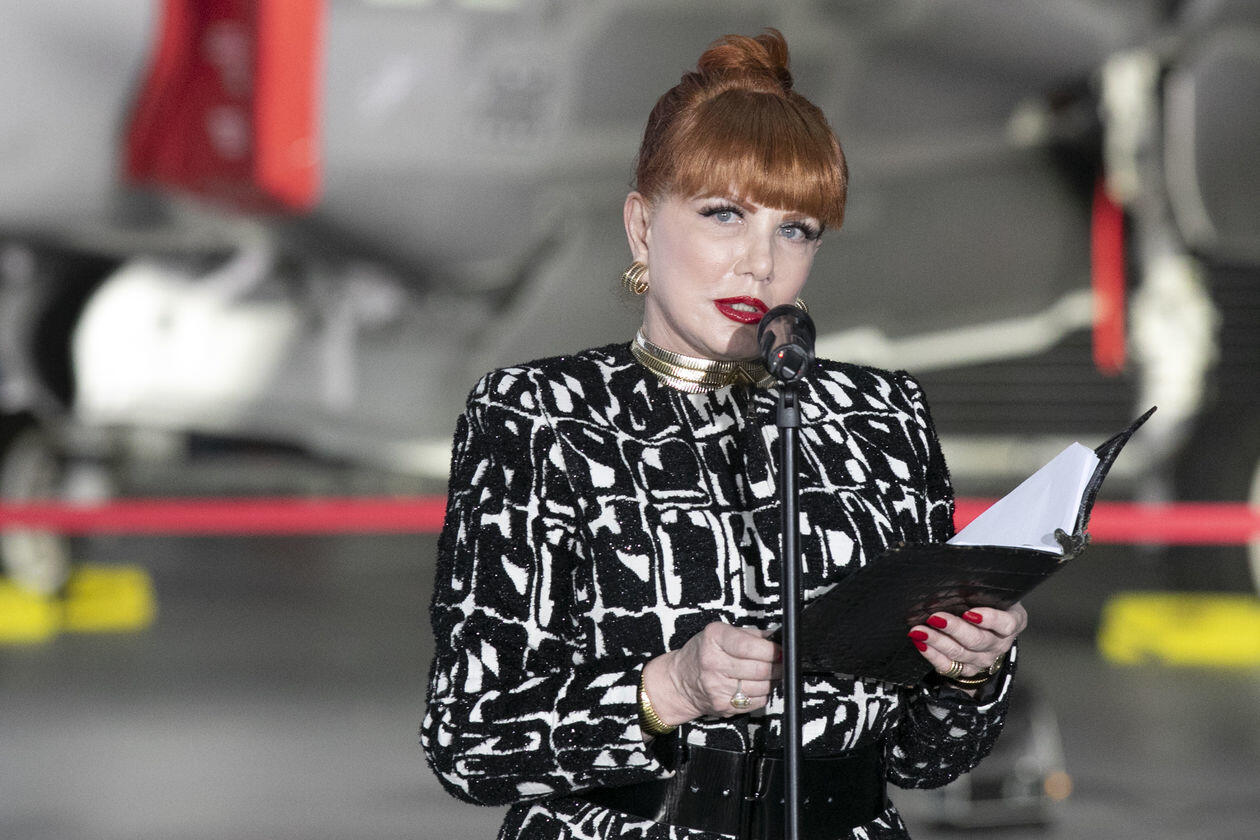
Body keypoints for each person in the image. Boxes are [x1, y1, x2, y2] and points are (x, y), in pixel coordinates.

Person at [421, 29, 1027, 840]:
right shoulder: (539, 416)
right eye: (724, 214)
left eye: (796, 228)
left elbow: (925, 761)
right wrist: (668, 688)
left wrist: (971, 672)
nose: (759, 263)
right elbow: (466, 742)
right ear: (642, 227)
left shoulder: (883, 417)